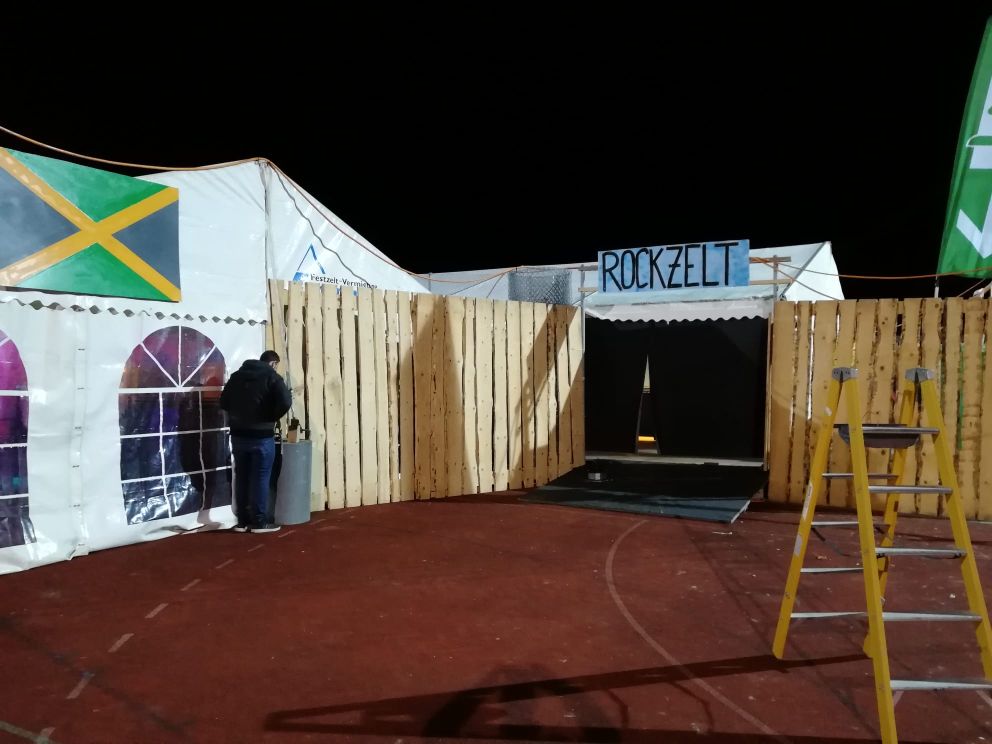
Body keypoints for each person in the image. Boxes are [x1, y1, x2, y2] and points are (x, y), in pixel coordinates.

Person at [220, 350, 292, 533]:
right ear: (273, 363)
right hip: (262, 435)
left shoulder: (236, 376)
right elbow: (285, 401)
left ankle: (242, 521)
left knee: (242, 476)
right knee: (261, 477)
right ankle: (259, 522)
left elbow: (223, 402)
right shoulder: (272, 377)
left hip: (238, 434)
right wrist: (271, 417)